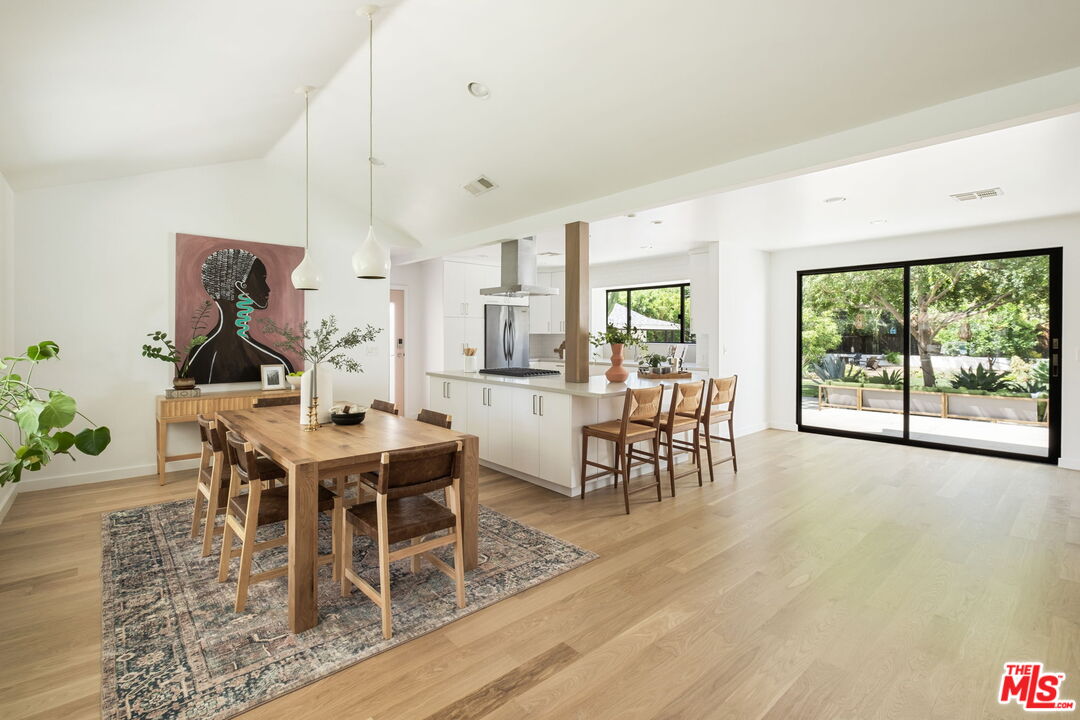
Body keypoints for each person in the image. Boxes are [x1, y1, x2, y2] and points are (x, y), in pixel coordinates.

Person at [186, 249, 294, 383]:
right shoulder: (276, 362)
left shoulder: (199, 354)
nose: (268, 289)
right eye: (262, 279)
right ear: (240, 287)